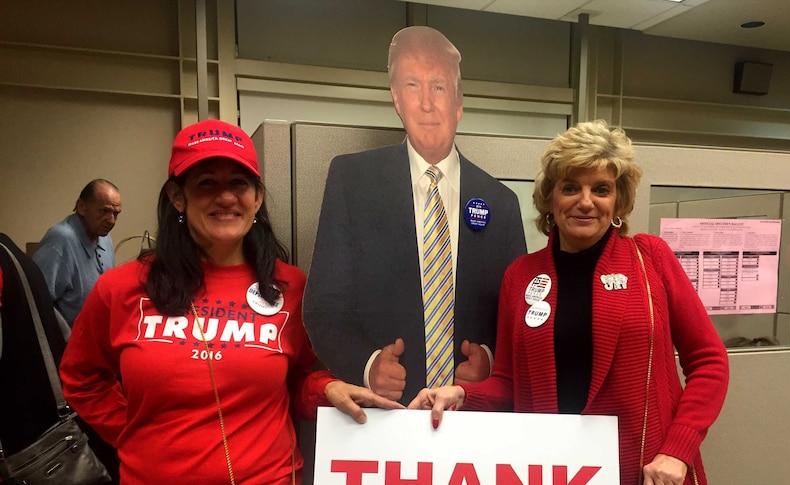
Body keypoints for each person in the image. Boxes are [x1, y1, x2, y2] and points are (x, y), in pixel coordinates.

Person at [59, 119, 402, 484]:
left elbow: (297, 382)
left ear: (257, 196)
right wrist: (135, 432)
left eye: (239, 183)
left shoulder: (292, 288)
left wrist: (326, 388)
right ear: (178, 196)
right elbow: (81, 379)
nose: (225, 197)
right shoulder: (121, 288)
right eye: (207, 183)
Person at [409, 120, 730, 485]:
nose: (586, 201)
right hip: (554, 468)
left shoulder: (651, 259)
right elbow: (509, 382)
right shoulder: (520, 276)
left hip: (647, 470)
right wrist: (463, 394)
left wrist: (677, 450)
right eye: (571, 187)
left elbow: (710, 362)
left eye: (602, 189)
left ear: (618, 200)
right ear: (550, 198)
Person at [303, 26, 527, 405]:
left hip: (471, 418)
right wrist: (368, 364)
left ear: (459, 102)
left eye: (438, 87)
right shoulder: (351, 182)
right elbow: (324, 308)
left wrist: (489, 362)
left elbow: (519, 318)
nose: (426, 103)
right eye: (412, 85)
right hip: (382, 419)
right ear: (395, 98)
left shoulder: (501, 202)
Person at [33, 179, 122, 325]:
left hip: (97, 337)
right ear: (81, 207)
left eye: (116, 214)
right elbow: (37, 302)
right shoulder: (60, 239)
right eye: (104, 211)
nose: (111, 220)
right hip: (67, 342)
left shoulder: (103, 236)